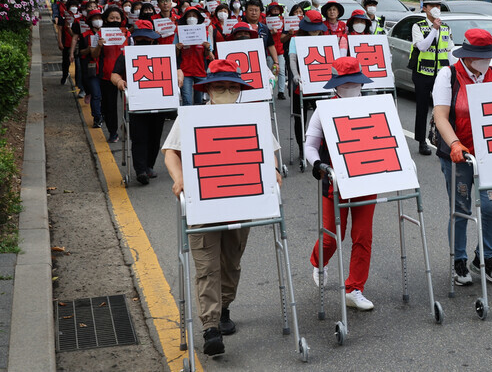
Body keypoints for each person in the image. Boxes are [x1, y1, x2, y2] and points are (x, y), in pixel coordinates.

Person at [163, 59, 283, 356]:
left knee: (231, 262)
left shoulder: (250, 116)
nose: (226, 91)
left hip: (240, 201)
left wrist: (275, 172)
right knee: (206, 266)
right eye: (220, 87)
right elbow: (170, 154)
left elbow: (271, 153)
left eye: (232, 87)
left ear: (239, 90)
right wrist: (179, 179)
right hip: (202, 203)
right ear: (209, 91)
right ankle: (210, 327)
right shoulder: (192, 117)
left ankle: (224, 305)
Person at [433, 29, 492, 286]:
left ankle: (485, 257)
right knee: (462, 208)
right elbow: (440, 115)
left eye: (487, 57)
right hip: (458, 155)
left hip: (489, 154)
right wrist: (454, 143)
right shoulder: (449, 75)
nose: (484, 62)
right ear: (466, 56)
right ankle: (459, 259)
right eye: (479, 57)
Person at [306, 57, 376, 310]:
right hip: (334, 181)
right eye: (344, 83)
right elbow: (310, 145)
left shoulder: (373, 106)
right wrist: (317, 164)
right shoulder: (322, 110)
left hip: (366, 179)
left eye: (354, 83)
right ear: (335, 84)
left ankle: (355, 288)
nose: (350, 88)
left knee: (363, 236)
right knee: (333, 236)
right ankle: (319, 261)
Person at [110, 21, 167, 185]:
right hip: (136, 102)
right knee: (139, 136)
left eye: (146, 39)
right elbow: (115, 74)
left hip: (158, 101)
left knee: (155, 136)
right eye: (141, 38)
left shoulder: (162, 53)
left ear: (152, 40)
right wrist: (120, 82)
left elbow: (177, 69)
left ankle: (149, 166)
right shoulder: (127, 55)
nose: (144, 42)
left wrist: (178, 77)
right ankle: (140, 170)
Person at [411, 0, 452, 155]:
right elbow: (422, 46)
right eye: (432, 6)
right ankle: (422, 141)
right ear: (425, 8)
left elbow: (449, 50)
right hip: (422, 74)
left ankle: (442, 141)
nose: (436, 8)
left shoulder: (446, 28)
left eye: (438, 5)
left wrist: (452, 71)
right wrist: (434, 29)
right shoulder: (418, 26)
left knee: (443, 109)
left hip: (441, 74)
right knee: (422, 108)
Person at [288, 10, 327, 164]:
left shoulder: (324, 39)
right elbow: (292, 59)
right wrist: (296, 75)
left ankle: (321, 146)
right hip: (302, 83)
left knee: (322, 115)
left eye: (318, 27)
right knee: (300, 117)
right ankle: (301, 148)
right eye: (313, 27)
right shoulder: (295, 39)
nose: (316, 31)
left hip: (321, 83)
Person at [97, 6, 130, 143]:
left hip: (126, 75)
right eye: (112, 18)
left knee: (128, 104)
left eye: (117, 18)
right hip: (107, 75)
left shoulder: (127, 34)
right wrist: (99, 45)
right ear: (106, 19)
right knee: (109, 105)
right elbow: (94, 54)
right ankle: (113, 132)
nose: (115, 20)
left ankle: (126, 126)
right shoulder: (100, 34)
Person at [175, 7, 214, 105]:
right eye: (189, 16)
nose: (191, 18)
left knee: (199, 101)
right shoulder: (179, 33)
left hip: (200, 71)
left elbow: (208, 55)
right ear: (185, 19)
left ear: (198, 18)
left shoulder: (204, 33)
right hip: (185, 71)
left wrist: (207, 48)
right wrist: (177, 48)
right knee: (187, 100)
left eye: (194, 16)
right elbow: (174, 55)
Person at [265, 2, 287, 99]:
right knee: (271, 71)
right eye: (274, 9)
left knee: (281, 71)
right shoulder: (266, 22)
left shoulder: (283, 21)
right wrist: (271, 32)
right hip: (270, 51)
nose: (275, 11)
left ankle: (281, 92)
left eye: (277, 9)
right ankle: (270, 91)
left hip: (280, 50)